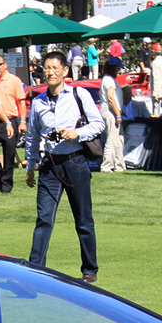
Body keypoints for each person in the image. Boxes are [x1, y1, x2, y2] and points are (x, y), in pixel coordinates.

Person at [24, 50, 100, 281]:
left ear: (65, 71)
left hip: (75, 161)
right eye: (47, 68)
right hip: (49, 165)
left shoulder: (79, 94)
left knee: (83, 219)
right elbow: (32, 136)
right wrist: (30, 166)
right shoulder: (38, 102)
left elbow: (98, 124)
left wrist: (76, 133)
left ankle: (89, 270)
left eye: (55, 68)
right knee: (44, 219)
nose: (50, 72)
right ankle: (35, 269)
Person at [0, 54, 26, 193]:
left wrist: (22, 122)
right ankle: (0, 180)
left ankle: (6, 185)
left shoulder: (14, 81)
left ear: (5, 65)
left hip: (10, 122)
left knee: (9, 155)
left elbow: (21, 102)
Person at [99, 57, 126, 173]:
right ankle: (106, 166)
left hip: (112, 110)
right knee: (111, 139)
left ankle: (119, 165)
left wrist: (120, 111)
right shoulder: (109, 80)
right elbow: (110, 98)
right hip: (110, 111)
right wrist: (117, 114)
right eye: (117, 68)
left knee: (119, 139)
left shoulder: (107, 79)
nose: (118, 71)